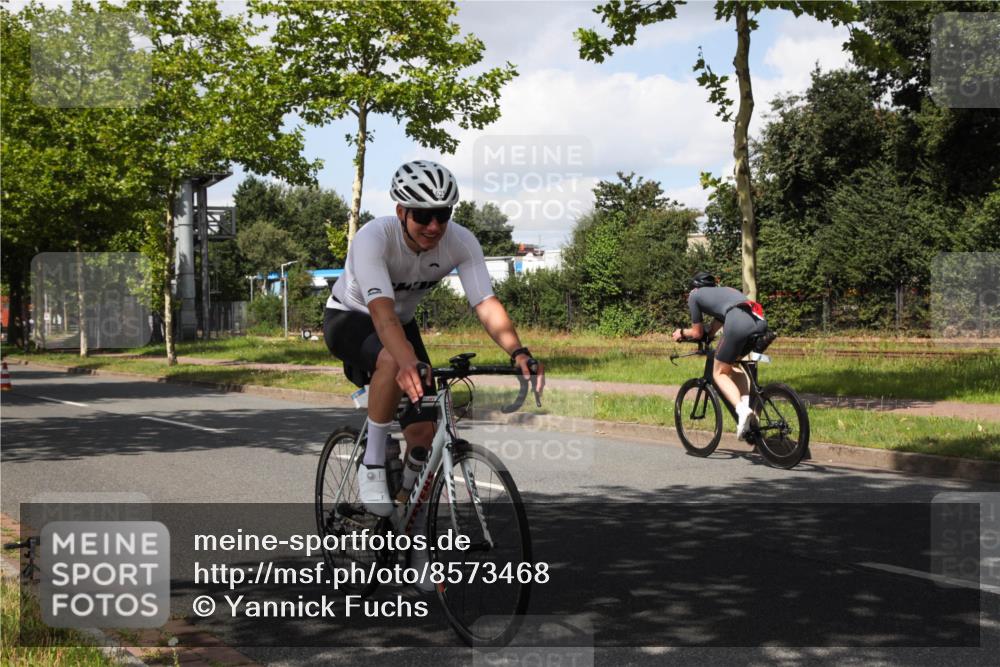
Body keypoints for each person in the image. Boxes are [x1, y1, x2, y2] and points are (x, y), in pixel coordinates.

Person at [323, 159, 545, 518]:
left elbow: (485, 302)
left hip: (400, 324)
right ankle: (373, 462)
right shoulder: (373, 238)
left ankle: (407, 527)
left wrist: (518, 351)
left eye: (442, 215)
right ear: (400, 211)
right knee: (396, 359)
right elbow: (381, 313)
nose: (434, 226)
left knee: (425, 433)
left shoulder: (460, 241)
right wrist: (406, 361)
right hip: (351, 318)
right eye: (423, 216)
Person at [672, 271, 767, 439]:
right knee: (733, 366)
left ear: (695, 287)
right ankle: (746, 415)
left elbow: (697, 332)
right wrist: (707, 337)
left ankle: (742, 410)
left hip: (738, 322)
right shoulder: (725, 292)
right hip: (758, 321)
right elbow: (712, 329)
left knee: (719, 372)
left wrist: (681, 332)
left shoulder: (694, 295)